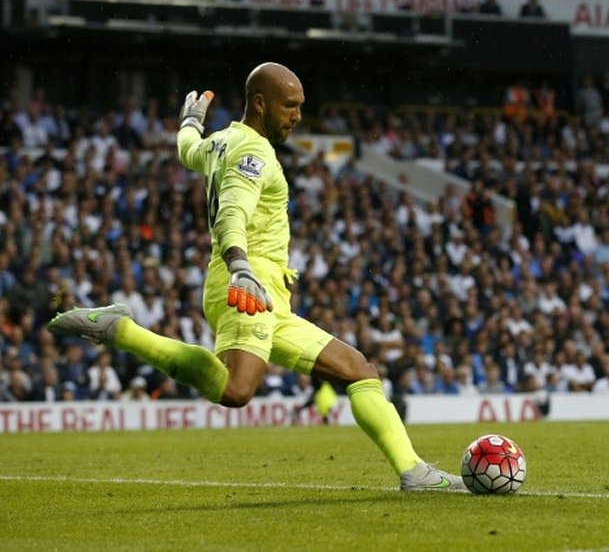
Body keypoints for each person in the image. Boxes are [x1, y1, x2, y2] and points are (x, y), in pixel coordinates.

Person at [48, 62, 464, 492]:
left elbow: (188, 148)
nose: (298, 116)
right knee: (236, 390)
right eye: (290, 106)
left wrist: (190, 123)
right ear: (260, 103)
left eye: (301, 106)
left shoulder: (221, 142)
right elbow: (233, 210)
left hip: (265, 295)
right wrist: (240, 267)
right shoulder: (254, 154)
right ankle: (123, 331)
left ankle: (414, 472)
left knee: (358, 369)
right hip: (246, 284)